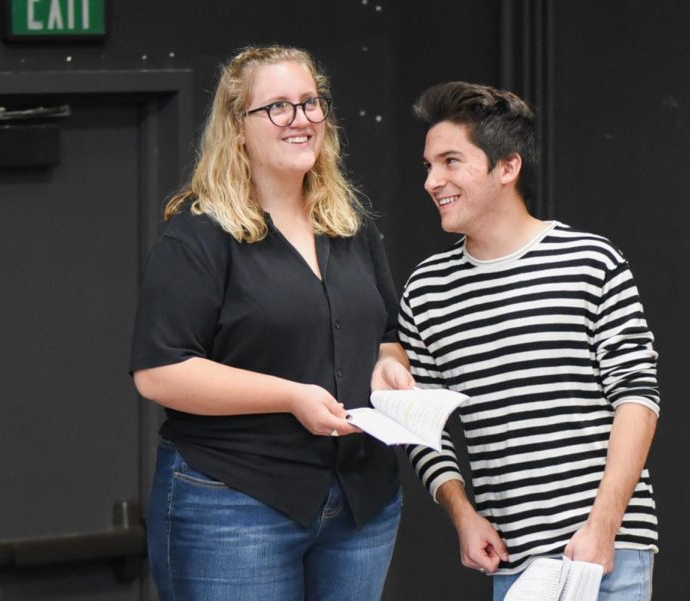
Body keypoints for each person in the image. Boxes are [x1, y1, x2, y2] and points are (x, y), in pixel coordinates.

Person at [130, 44, 414, 601]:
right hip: (234, 501)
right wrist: (290, 396)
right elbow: (159, 372)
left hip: (361, 503)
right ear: (238, 127)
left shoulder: (350, 225)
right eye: (278, 107)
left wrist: (388, 368)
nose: (302, 119)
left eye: (311, 103)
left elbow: (386, 335)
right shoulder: (199, 235)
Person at [398, 81, 660, 601]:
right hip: (514, 564)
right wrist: (463, 514)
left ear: (507, 167)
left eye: (451, 161)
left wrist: (603, 529)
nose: (433, 181)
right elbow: (420, 427)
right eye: (428, 165)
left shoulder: (590, 260)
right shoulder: (425, 291)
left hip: (609, 553)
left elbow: (637, 396)